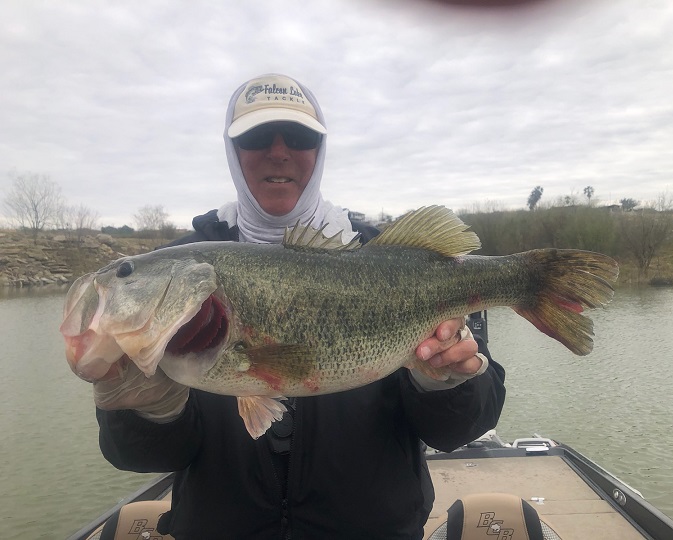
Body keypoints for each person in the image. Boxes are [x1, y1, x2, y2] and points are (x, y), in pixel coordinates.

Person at [94, 73, 506, 540]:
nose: (278, 150)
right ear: (232, 152)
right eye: (254, 137)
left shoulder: (398, 262)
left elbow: (462, 428)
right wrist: (149, 410)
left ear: (320, 149)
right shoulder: (180, 273)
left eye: (299, 136)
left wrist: (446, 386)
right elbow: (142, 457)